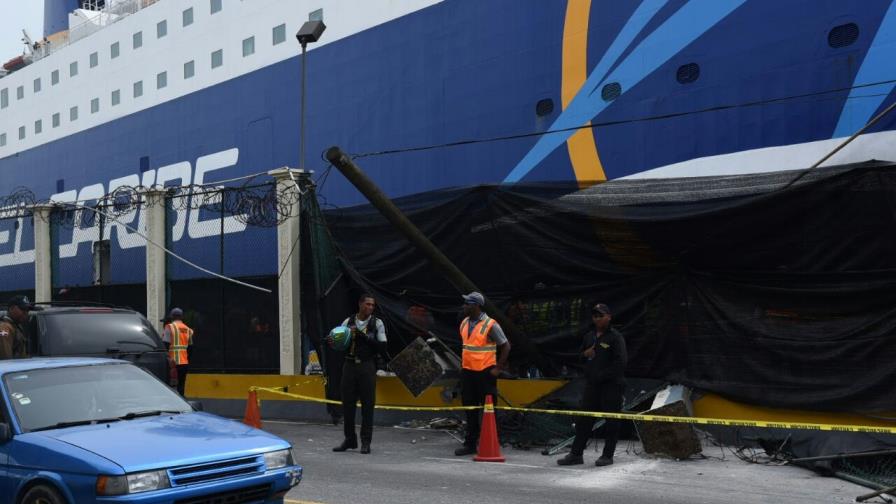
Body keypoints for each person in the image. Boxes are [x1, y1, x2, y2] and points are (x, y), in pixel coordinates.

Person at [557, 303, 627, 467]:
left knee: (611, 421)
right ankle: (576, 454)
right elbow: (580, 357)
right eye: (595, 316)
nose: (597, 319)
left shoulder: (615, 337)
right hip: (592, 385)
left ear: (609, 317)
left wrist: (602, 376)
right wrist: (584, 354)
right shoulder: (589, 336)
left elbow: (621, 363)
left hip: (612, 385)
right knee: (584, 420)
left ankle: (607, 456)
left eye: (600, 315)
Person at [454, 291, 511, 456]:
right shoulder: (464, 322)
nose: (464, 306)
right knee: (470, 409)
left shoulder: (490, 324)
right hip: (468, 373)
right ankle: (470, 444)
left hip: (486, 373)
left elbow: (506, 346)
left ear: (476, 306)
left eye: (467, 303)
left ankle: (491, 441)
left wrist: (498, 369)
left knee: (489, 411)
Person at [331, 293, 387, 454]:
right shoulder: (347, 322)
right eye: (368, 304)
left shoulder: (377, 323)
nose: (370, 307)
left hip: (367, 366)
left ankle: (366, 441)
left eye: (372, 305)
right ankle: (350, 440)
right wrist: (331, 340)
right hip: (349, 366)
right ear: (360, 304)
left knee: (367, 406)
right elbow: (338, 342)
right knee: (347, 405)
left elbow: (382, 347)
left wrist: (364, 337)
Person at [162, 308, 194, 395]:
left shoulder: (169, 327)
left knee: (168, 387)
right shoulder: (188, 329)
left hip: (172, 363)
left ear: (172, 317)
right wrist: (187, 360)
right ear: (181, 317)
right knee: (181, 387)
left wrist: (166, 359)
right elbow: (190, 348)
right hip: (184, 362)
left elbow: (165, 345)